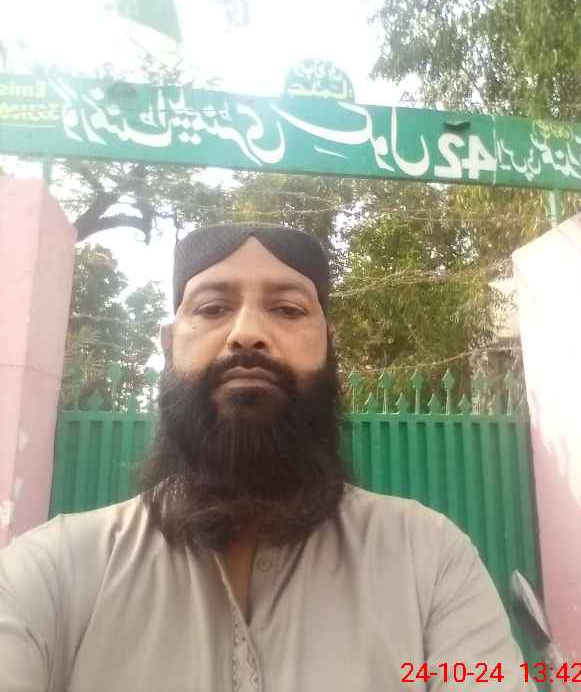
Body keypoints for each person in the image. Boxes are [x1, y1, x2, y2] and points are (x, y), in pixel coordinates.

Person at [0, 223, 530, 692]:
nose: (247, 333)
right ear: (168, 344)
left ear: (329, 345)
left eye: (287, 309)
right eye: (212, 308)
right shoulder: (49, 573)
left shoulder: (429, 560)